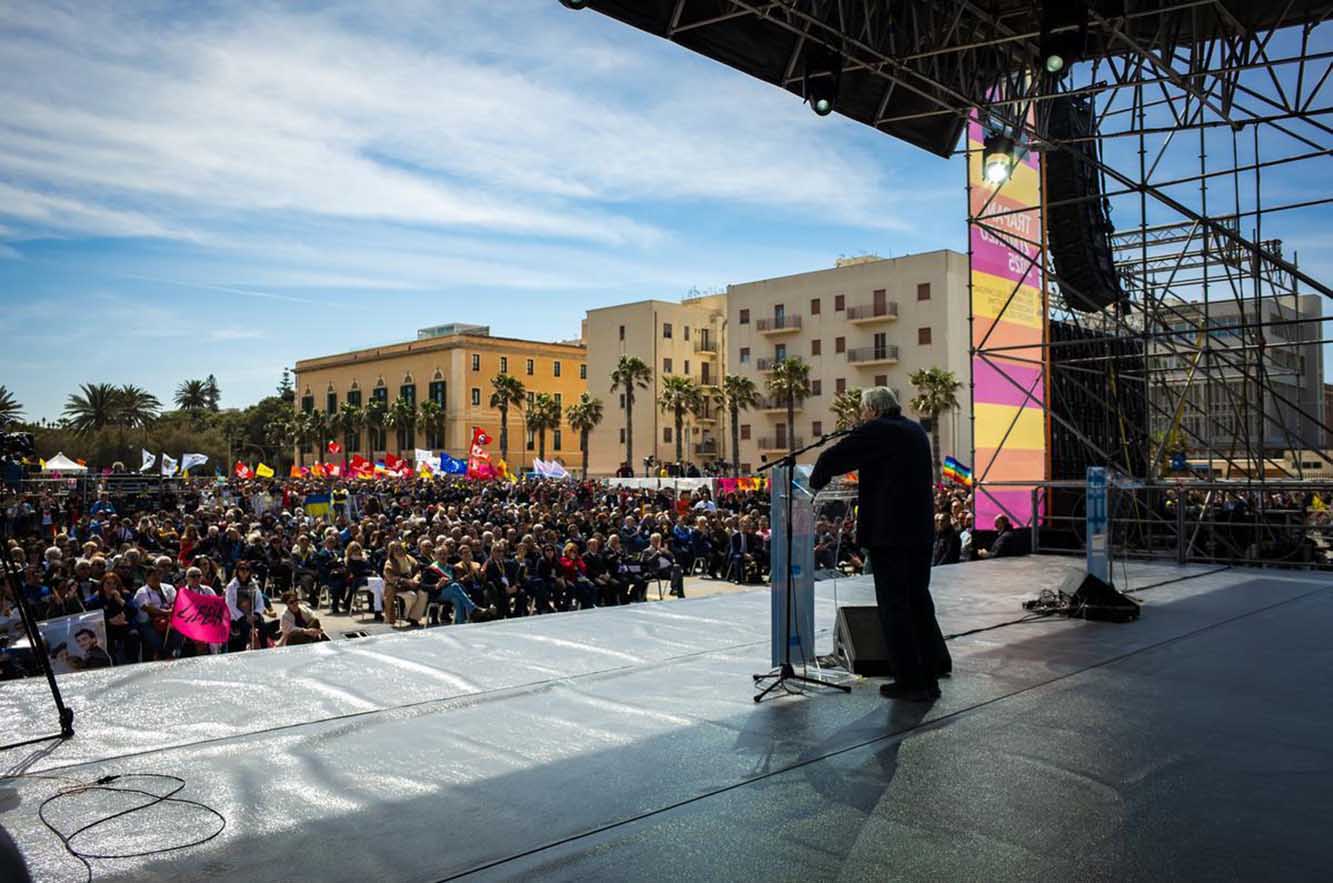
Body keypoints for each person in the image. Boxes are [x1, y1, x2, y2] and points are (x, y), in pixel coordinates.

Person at [810, 386, 950, 702]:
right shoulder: (914, 430)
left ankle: (910, 681)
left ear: (872, 409)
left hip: (890, 534)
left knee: (894, 608)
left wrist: (815, 481)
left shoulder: (878, 430)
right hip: (918, 534)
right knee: (919, 604)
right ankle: (929, 678)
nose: (861, 417)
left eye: (863, 411)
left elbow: (833, 457)